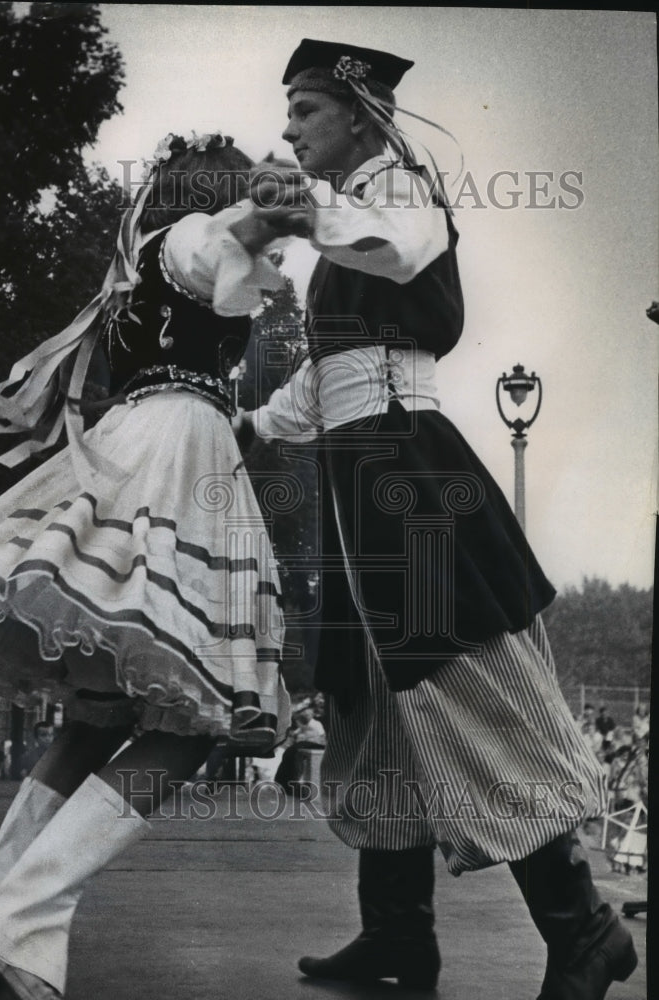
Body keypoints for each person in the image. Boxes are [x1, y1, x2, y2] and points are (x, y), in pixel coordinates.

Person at [236, 38, 637, 1000]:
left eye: (305, 111)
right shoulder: (345, 220)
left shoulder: (397, 191)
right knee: (375, 710)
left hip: (407, 480)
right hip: (359, 476)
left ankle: (583, 929)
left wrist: (303, 210)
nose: (288, 129)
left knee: (468, 692)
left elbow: (400, 250)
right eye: (287, 112)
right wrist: (240, 421)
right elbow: (326, 381)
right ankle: (398, 938)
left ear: (361, 115)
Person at [0, 129, 305, 1000]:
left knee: (94, 716)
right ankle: (19, 917)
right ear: (211, 192)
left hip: (128, 442)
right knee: (204, 721)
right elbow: (231, 237)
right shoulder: (194, 238)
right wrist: (284, 207)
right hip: (180, 453)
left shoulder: (135, 261)